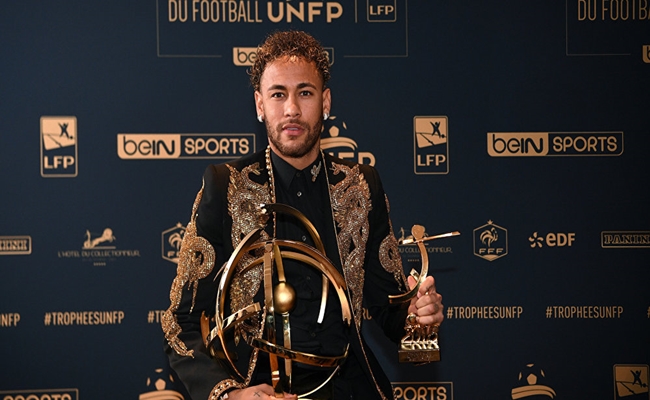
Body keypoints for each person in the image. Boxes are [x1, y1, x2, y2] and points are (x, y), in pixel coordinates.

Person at [162, 30, 444, 400]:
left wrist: (418, 315)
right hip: (260, 390)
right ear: (260, 104)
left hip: (350, 388)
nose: (292, 109)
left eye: (305, 93)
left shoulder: (361, 186)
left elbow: (390, 310)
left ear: (325, 102)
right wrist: (230, 394)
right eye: (278, 94)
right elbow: (180, 322)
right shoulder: (226, 186)